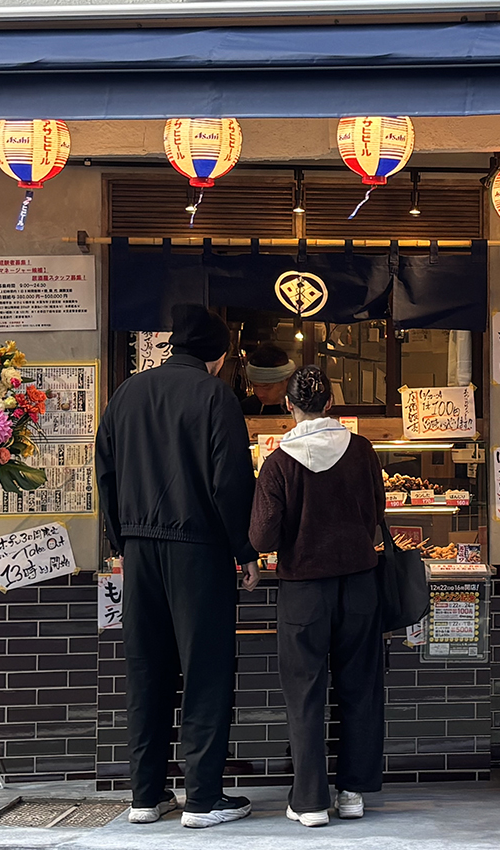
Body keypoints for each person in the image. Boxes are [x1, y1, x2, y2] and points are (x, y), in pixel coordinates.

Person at [95, 304, 260, 829]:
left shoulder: (126, 393)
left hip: (139, 550)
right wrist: (246, 550)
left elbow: (104, 470)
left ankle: (146, 795)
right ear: (217, 355)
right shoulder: (217, 397)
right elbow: (231, 481)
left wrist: (120, 540)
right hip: (200, 550)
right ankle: (203, 798)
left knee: (146, 668)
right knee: (206, 671)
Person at [249, 366, 386, 828]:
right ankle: (352, 793)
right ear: (331, 403)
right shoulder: (363, 450)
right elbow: (376, 512)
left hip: (304, 590)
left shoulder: (279, 462)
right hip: (360, 586)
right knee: (360, 688)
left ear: (289, 405)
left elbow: (263, 536)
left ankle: (309, 801)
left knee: (304, 692)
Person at [240, 343, 296, 415]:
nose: (260, 394)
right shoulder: (244, 409)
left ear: (287, 380)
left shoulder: (304, 410)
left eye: (266, 387)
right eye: (255, 385)